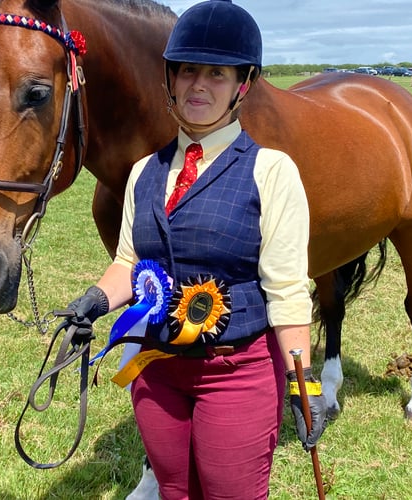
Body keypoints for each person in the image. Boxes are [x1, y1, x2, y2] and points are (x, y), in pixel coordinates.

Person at [64, 0, 327, 498]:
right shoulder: (144, 172)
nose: (199, 85)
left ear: (242, 85)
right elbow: (129, 263)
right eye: (187, 71)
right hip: (157, 371)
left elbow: (288, 287)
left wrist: (303, 380)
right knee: (173, 491)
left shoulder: (271, 171)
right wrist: (95, 301)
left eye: (217, 73)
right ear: (170, 79)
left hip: (237, 372)